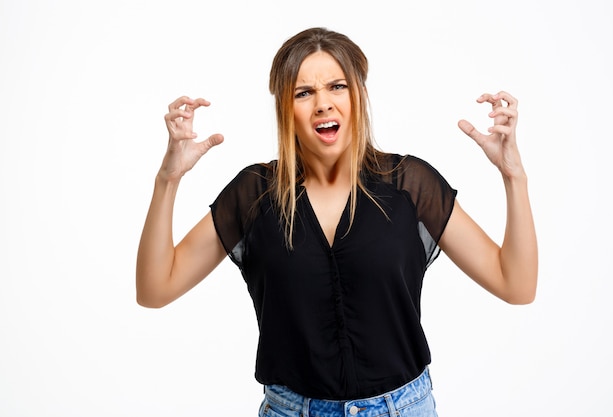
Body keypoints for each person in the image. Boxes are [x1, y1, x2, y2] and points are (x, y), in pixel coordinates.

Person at [136, 27, 537, 417]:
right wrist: (167, 180)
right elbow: (155, 289)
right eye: (304, 92)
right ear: (285, 109)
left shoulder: (409, 185)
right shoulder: (255, 193)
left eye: (337, 86)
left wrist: (513, 175)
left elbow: (515, 284)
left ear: (359, 95)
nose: (323, 103)